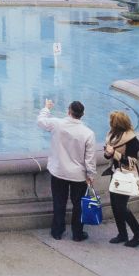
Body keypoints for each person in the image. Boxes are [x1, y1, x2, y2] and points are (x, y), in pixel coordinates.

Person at [38, 98, 97, 241]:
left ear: (69, 111)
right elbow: (90, 158)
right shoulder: (88, 133)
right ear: (82, 115)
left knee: (59, 202)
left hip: (59, 171)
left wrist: (46, 108)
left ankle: (57, 231)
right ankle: (77, 233)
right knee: (78, 205)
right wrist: (90, 175)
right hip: (78, 175)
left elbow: (40, 121)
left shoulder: (57, 124)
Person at [102, 110, 139, 247]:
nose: (110, 124)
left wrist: (114, 153)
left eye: (112, 122)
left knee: (121, 207)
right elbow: (107, 156)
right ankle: (122, 234)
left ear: (116, 124)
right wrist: (108, 153)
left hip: (126, 176)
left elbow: (132, 162)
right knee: (115, 206)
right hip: (116, 173)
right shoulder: (113, 136)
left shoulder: (132, 140)